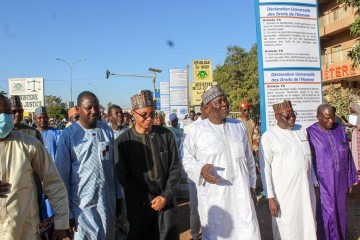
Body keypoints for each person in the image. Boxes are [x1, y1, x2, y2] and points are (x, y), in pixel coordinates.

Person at [182, 85, 260, 240]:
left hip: (242, 195)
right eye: (219, 102)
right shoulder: (196, 131)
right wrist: (200, 170)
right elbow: (186, 158)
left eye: (225, 100)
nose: (225, 104)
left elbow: (249, 160)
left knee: (249, 231)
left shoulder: (238, 127)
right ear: (207, 108)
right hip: (214, 197)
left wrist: (252, 185)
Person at [0, 94, 69, 239]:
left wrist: (62, 222)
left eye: (6, 112)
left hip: (26, 229)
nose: (5, 117)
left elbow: (54, 182)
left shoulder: (30, 144)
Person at [115, 90, 180, 240]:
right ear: (133, 113)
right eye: (144, 115)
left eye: (152, 114)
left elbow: (175, 168)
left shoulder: (166, 135)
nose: (149, 119)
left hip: (166, 203)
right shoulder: (123, 142)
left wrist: (165, 196)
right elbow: (124, 177)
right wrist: (150, 199)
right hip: (139, 205)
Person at [55, 91, 120, 239]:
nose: (94, 111)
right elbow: (62, 177)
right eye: (88, 107)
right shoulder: (68, 136)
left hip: (106, 204)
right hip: (81, 208)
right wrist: (67, 213)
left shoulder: (107, 131)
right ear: (78, 109)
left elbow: (114, 168)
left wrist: (119, 197)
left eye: (96, 107)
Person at [259, 100, 317, 240]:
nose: (292, 118)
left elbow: (309, 160)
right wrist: (270, 197)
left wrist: (315, 183)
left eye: (293, 114)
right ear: (277, 117)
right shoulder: (269, 137)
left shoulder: (301, 130)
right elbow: (265, 169)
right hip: (284, 195)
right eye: (288, 115)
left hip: (306, 191)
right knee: (288, 228)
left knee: (309, 224)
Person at [307, 103, 358, 240]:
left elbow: (347, 155)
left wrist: (350, 180)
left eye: (332, 117)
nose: (331, 121)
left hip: (341, 181)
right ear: (318, 117)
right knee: (327, 215)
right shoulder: (310, 133)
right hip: (324, 183)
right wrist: (312, 182)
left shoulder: (339, 129)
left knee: (341, 213)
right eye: (327, 118)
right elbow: (307, 161)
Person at [182, 101, 208, 240]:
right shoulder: (191, 128)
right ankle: (194, 234)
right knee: (195, 207)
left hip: (212, 176)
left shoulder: (216, 126)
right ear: (203, 108)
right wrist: (198, 170)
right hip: (195, 177)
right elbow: (186, 156)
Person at [347, 102, 360, 170]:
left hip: (358, 135)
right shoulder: (352, 116)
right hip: (354, 134)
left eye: (351, 108)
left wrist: (352, 125)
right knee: (354, 149)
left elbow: (358, 126)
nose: (350, 109)